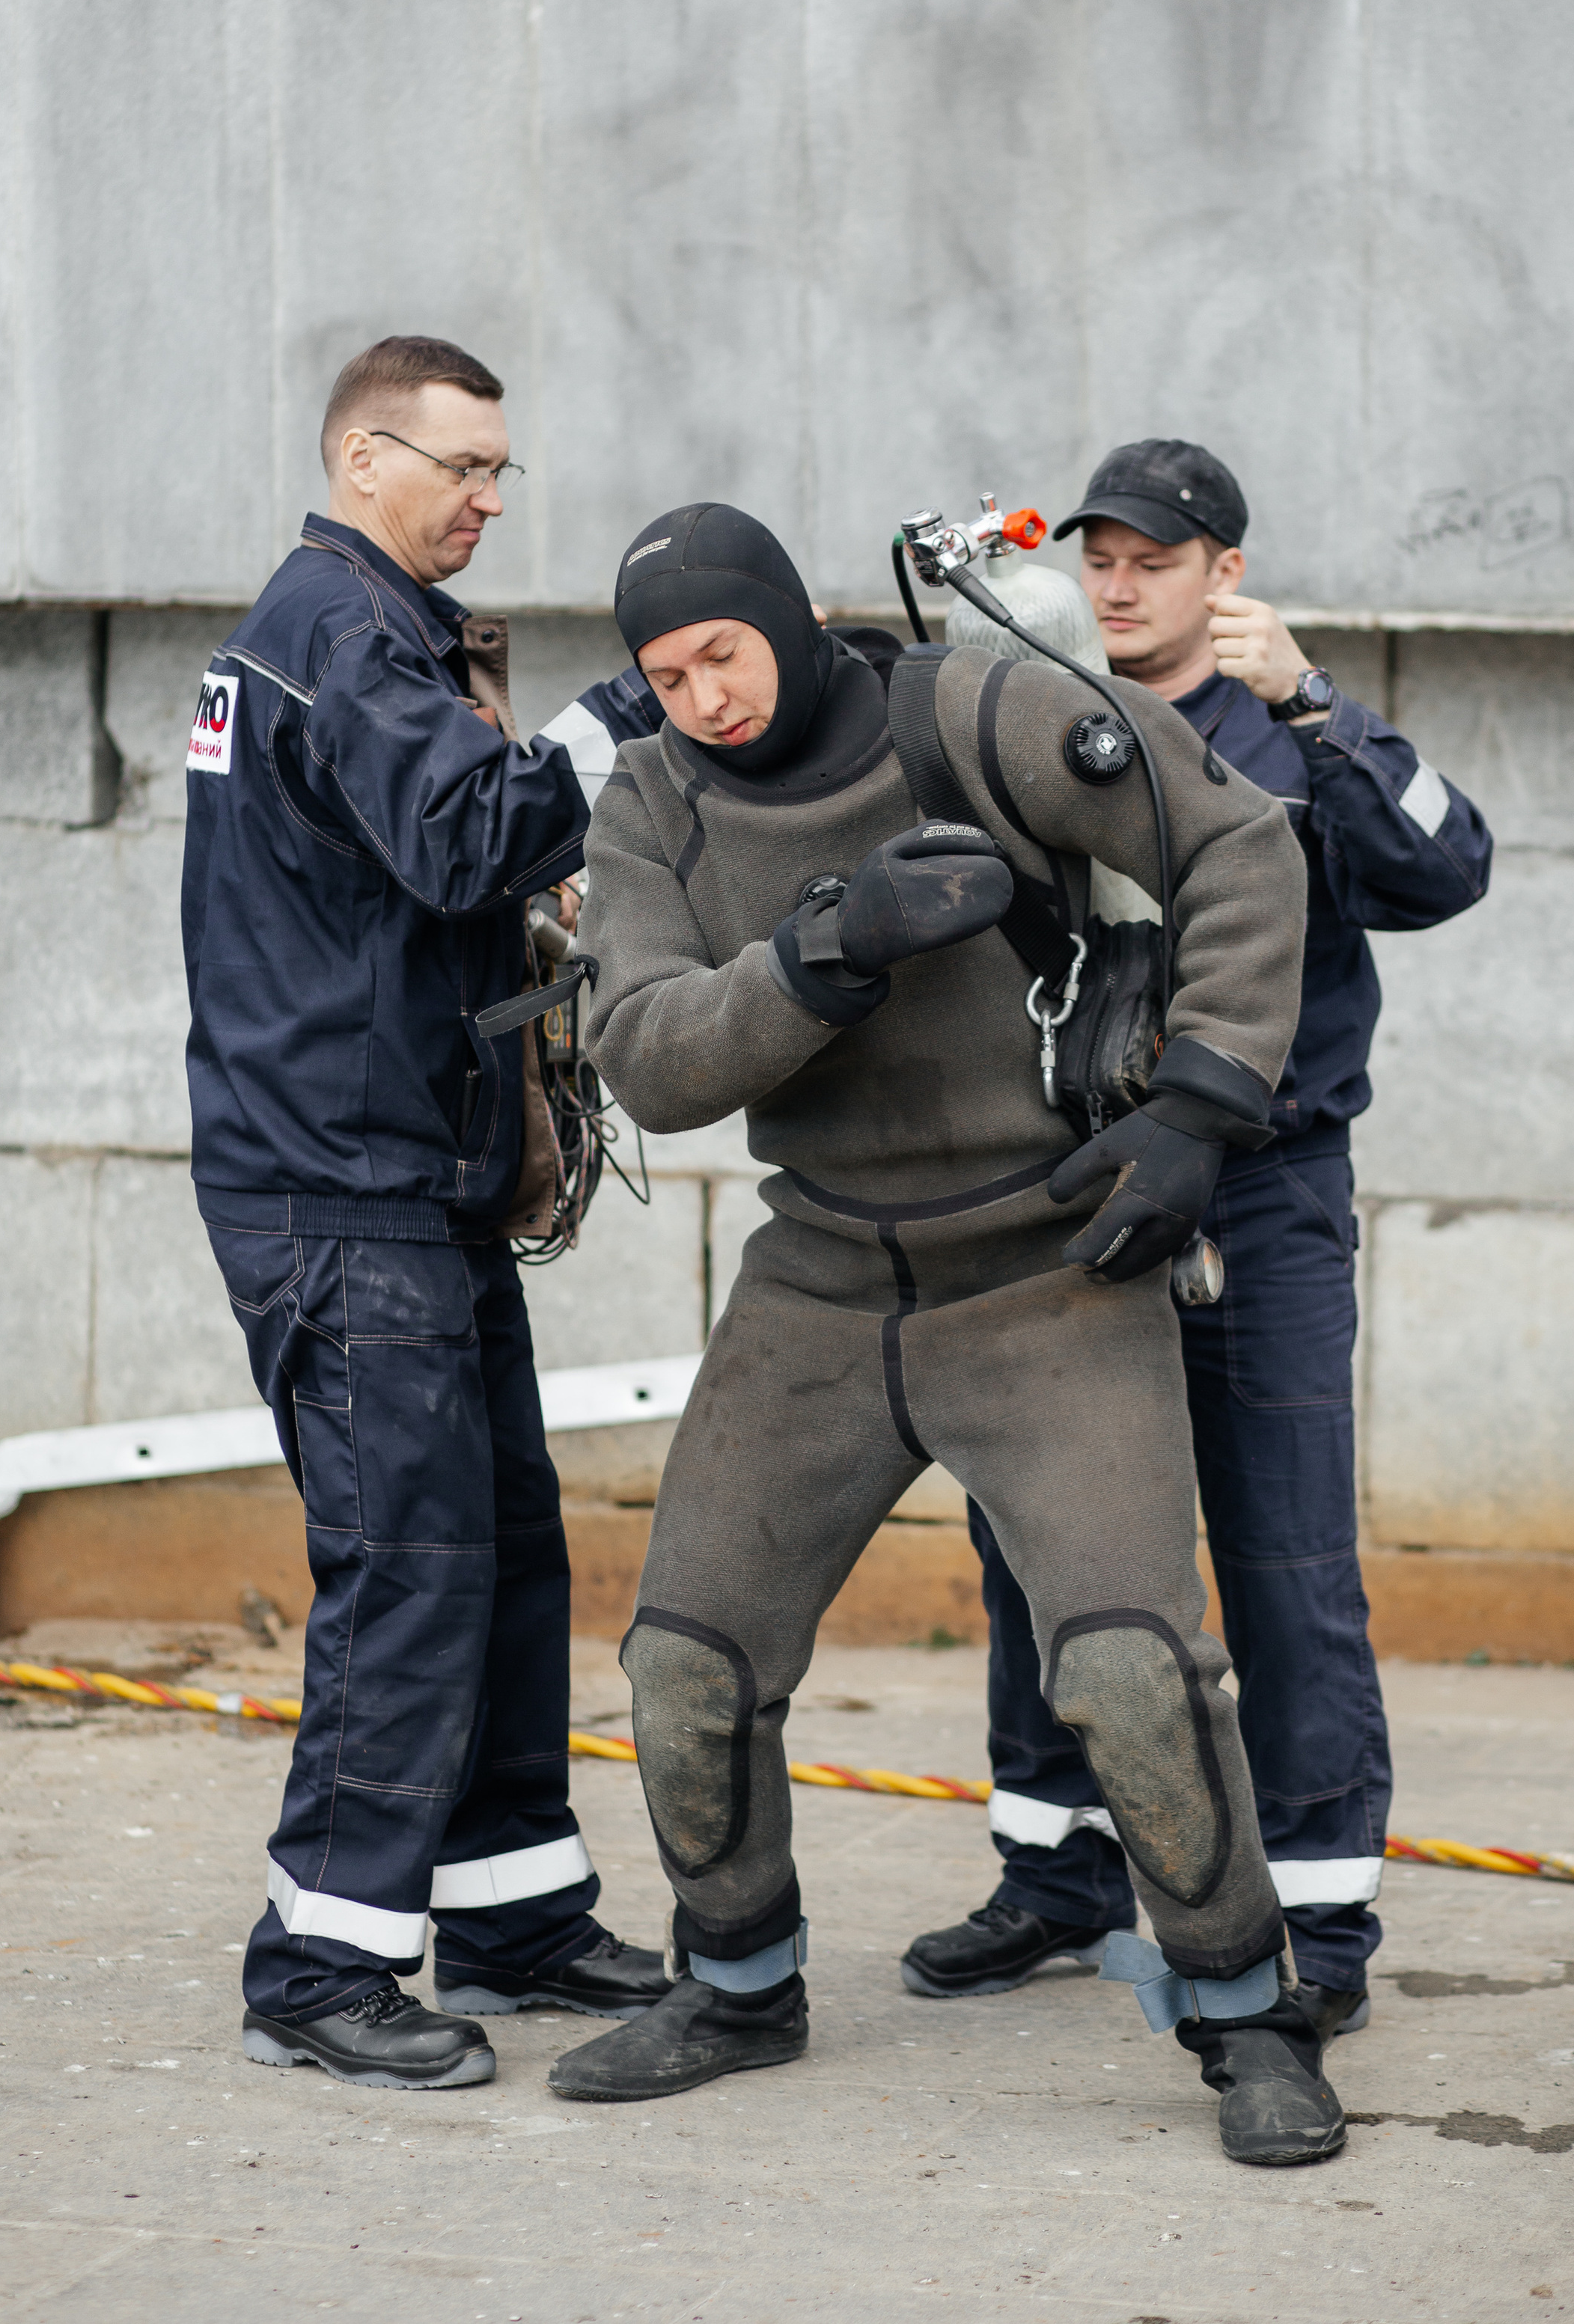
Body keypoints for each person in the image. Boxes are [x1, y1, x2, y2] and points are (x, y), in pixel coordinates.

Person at [545, 499, 1358, 2167]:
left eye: (721, 652)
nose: (700, 694)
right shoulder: (649, 802)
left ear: (781, 616)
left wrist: (1203, 1104)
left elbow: (1241, 847)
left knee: (1132, 1672)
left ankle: (1242, 2017)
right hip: (821, 1278)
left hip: (1048, 1269)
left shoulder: (969, 709)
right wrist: (816, 955)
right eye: (662, 672)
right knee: (684, 1666)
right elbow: (646, 1055)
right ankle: (737, 1981)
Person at [903, 438, 1492, 2042]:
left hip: (1260, 1194)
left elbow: (1446, 863)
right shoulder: (1037, 711)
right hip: (1070, 1186)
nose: (1115, 582)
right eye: (1096, 554)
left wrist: (1315, 703)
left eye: (1153, 558)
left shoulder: (1282, 735)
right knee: (1040, 1539)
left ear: (1223, 573)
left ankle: (1317, 1926)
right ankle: (1057, 1870)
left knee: (1281, 1556)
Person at [181, 334, 669, 2090]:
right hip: (341, 1193)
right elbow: (469, 838)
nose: (484, 501)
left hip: (416, 1190)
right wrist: (621, 719)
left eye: (497, 473)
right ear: (365, 457)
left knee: (501, 1552)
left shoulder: (353, 635)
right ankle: (319, 1969)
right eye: (461, 469)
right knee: (408, 1575)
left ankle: (513, 1907)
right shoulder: (339, 638)